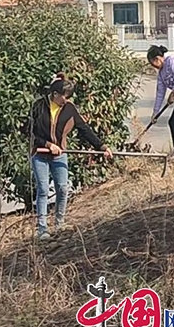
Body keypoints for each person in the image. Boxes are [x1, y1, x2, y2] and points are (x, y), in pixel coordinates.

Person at [26, 73, 113, 240]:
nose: (66, 101)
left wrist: (102, 147)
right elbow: (28, 132)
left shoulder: (70, 109)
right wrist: (47, 145)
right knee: (43, 189)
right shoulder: (38, 106)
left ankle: (59, 223)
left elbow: (84, 129)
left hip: (60, 155)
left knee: (63, 188)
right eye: (64, 97)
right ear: (55, 94)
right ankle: (42, 229)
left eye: (68, 98)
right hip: (40, 154)